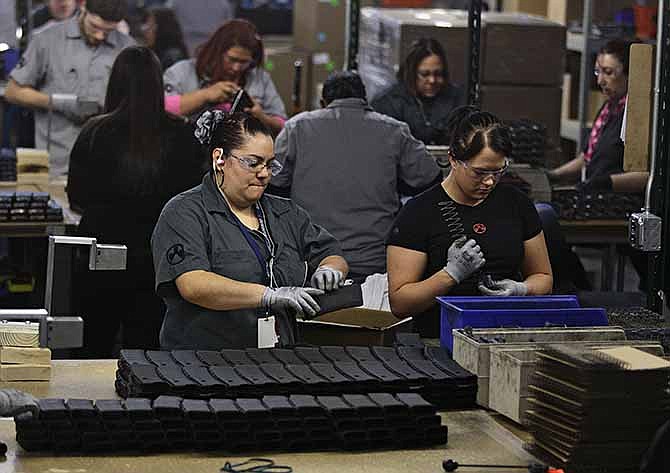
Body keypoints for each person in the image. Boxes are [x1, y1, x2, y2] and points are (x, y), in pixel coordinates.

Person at [151, 111, 348, 350]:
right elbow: (193, 284)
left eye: (269, 164)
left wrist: (331, 269)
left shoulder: (285, 213)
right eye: (253, 163)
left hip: (276, 357)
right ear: (220, 159)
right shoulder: (185, 212)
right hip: (203, 360)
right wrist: (268, 295)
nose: (264, 174)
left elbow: (331, 252)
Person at [66, 46, 205, 358]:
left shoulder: (94, 132)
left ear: (115, 83)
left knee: (91, 348)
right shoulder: (184, 134)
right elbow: (191, 200)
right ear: (158, 85)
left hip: (100, 254)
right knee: (148, 354)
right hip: (158, 260)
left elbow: (76, 198)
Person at [386, 106, 553, 337]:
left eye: (498, 171)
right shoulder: (419, 212)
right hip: (440, 339)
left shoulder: (517, 205)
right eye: (479, 172)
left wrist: (522, 289)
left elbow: (544, 277)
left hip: (506, 334)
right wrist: (451, 274)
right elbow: (400, 303)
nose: (489, 182)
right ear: (453, 160)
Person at [272, 71, 441, 281]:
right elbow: (430, 178)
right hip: (374, 264)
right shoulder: (395, 130)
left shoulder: (296, 128)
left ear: (323, 102)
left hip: (311, 261)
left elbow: (272, 184)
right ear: (364, 100)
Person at [5, 0, 135, 177]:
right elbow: (12, 92)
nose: (100, 36)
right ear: (83, 7)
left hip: (108, 165)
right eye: (95, 26)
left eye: (108, 31)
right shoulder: (47, 40)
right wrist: (60, 103)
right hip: (57, 166)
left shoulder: (128, 49)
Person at [547, 39, 648, 192]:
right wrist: (553, 175)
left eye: (608, 72)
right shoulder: (608, 109)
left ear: (631, 75)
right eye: (597, 72)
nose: (600, 81)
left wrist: (605, 183)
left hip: (620, 202)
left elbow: (647, 175)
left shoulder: (638, 117)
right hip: (596, 196)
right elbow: (588, 157)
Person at [163, 19, 286, 133]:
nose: (236, 67)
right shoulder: (182, 72)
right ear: (217, 52)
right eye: (232, 59)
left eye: (244, 62)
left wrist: (261, 118)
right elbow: (159, 110)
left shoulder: (260, 79)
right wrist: (204, 95)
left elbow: (283, 124)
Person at [372, 38, 465, 145]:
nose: (432, 80)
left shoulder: (456, 98)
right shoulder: (388, 102)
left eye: (438, 74)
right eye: (425, 74)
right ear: (412, 73)